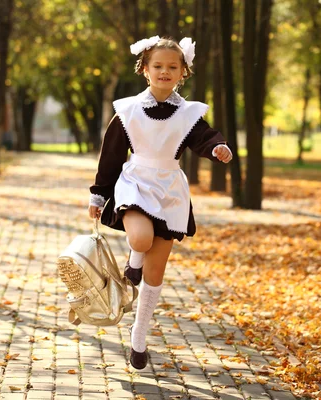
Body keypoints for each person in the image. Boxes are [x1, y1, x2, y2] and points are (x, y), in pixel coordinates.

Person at [87, 35, 232, 370]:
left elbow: (205, 138)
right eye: (158, 66)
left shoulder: (189, 114)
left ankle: (139, 337)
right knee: (140, 238)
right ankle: (132, 263)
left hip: (170, 191)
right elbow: (110, 156)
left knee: (156, 271)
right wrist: (99, 194)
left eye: (172, 66)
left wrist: (217, 148)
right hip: (136, 183)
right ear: (145, 69)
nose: (165, 71)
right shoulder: (128, 111)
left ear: (183, 72)